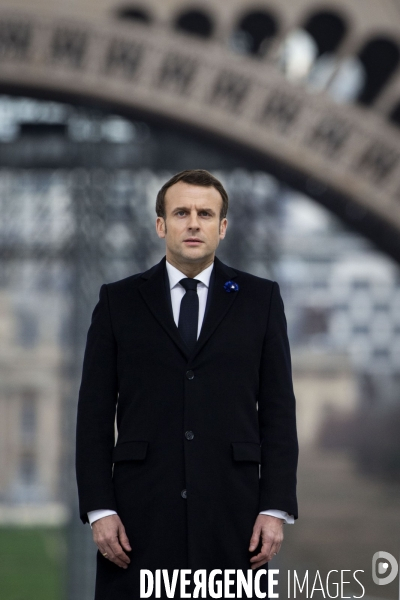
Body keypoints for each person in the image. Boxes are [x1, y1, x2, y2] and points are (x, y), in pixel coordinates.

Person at [75, 169, 298, 599]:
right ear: (161, 225)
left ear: (223, 226)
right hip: (138, 518)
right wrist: (100, 510)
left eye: (205, 213)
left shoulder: (261, 299)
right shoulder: (117, 302)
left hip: (234, 515)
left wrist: (275, 508)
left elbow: (278, 412)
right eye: (181, 212)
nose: (193, 223)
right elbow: (94, 415)